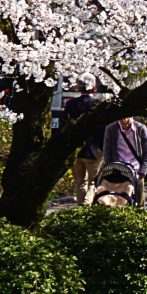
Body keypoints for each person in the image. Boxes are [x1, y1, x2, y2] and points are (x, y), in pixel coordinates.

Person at [63, 75, 104, 203]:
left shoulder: (71, 104)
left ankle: (81, 205)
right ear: (94, 87)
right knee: (93, 181)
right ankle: (87, 205)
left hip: (76, 149)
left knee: (79, 181)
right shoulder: (98, 105)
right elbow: (103, 129)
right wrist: (103, 148)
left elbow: (65, 125)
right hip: (94, 148)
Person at [100, 115, 147, 207]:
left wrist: (142, 172)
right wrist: (110, 167)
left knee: (138, 202)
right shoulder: (111, 128)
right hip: (118, 169)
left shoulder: (140, 128)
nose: (122, 118)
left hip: (136, 169)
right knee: (116, 199)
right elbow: (107, 151)